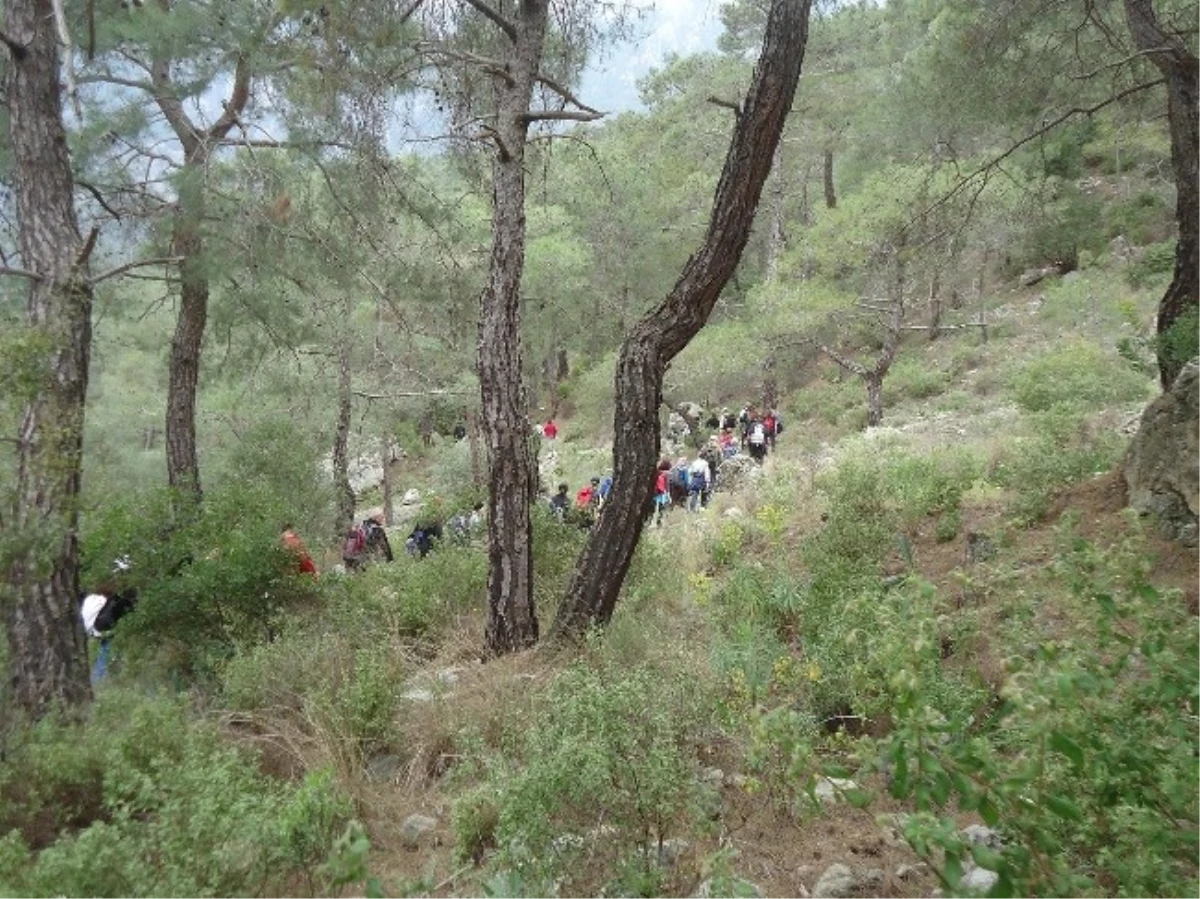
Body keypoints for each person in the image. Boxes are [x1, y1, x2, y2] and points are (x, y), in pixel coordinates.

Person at [80, 568, 138, 685]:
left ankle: (97, 678)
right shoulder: (111, 601)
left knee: (100, 653)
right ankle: (98, 679)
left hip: (87, 628)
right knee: (106, 651)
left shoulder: (90, 598)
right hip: (102, 629)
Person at [654, 459, 672, 526]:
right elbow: (666, 485)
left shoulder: (657, 472)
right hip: (663, 493)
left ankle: (652, 521)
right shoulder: (666, 474)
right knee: (662, 508)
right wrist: (668, 494)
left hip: (656, 492)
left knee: (655, 507)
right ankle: (659, 522)